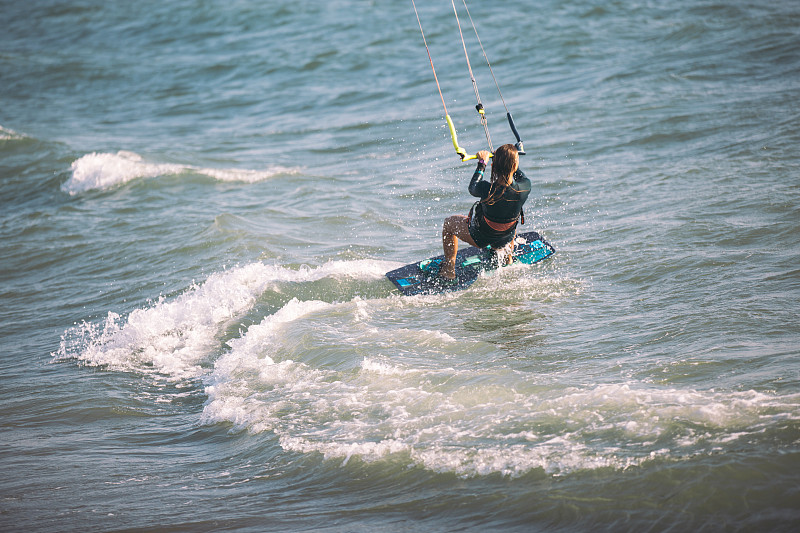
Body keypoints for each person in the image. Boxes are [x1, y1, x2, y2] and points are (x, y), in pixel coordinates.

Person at [439, 143, 531, 280]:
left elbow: (472, 187)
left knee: (449, 224)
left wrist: (482, 163)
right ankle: (507, 258)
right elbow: (517, 173)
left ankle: (448, 270)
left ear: (494, 167)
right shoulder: (524, 187)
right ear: (514, 166)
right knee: (509, 218)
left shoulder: (486, 189)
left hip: (481, 238)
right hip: (506, 237)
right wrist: (511, 157)